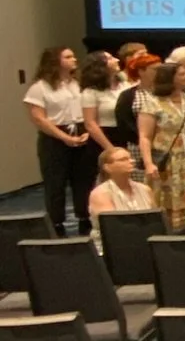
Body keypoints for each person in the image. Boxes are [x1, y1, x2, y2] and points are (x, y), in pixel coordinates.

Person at [25, 45, 93, 235]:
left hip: (80, 130)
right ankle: (57, 223)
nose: (74, 60)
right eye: (68, 57)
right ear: (56, 61)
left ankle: (84, 218)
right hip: (54, 136)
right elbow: (39, 118)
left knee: (83, 179)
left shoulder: (77, 83)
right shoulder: (40, 87)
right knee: (56, 182)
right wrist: (64, 137)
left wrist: (86, 130)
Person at [138, 59, 185, 230]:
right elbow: (145, 136)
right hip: (168, 163)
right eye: (182, 74)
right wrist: (148, 163)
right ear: (169, 78)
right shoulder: (153, 103)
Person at [87, 143, 155, 229]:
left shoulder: (145, 189)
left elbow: (155, 219)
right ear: (107, 167)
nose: (132, 161)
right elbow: (111, 226)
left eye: (130, 158)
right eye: (123, 159)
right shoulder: (100, 194)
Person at [79, 50, 129, 156]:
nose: (117, 60)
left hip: (125, 134)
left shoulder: (125, 85)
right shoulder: (91, 92)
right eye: (110, 58)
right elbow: (90, 124)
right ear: (100, 66)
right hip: (104, 137)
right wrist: (110, 148)